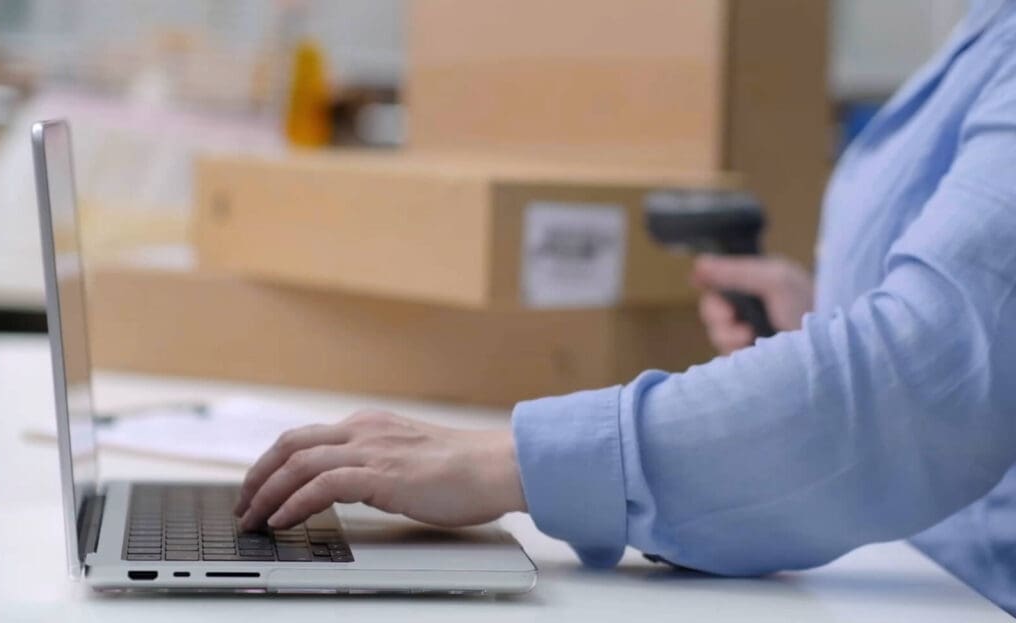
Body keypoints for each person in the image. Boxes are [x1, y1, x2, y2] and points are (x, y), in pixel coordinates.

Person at [233, 0, 1016, 613]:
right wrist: (816, 327)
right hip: (892, 560)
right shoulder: (985, 29)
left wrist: (506, 460)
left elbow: (920, 384)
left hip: (962, 590)